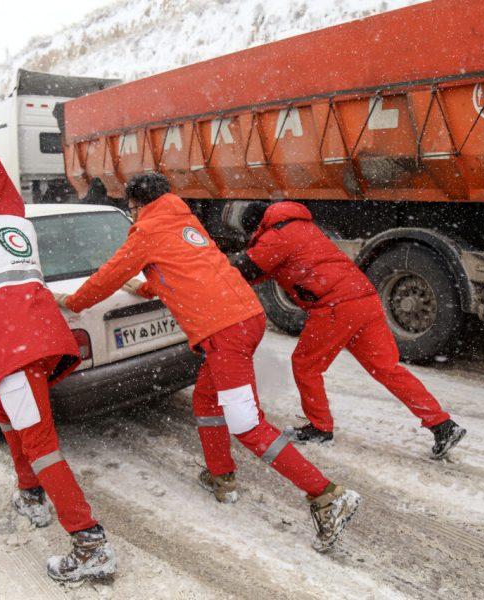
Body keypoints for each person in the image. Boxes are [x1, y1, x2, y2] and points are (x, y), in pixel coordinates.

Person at [55, 172, 360, 552]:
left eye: (131, 208)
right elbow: (193, 267)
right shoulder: (184, 220)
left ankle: (326, 494)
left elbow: (107, 277)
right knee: (206, 400)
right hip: (247, 317)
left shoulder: (147, 230)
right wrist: (149, 287)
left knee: (247, 423)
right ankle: (221, 476)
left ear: (138, 205)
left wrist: (72, 302)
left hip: (223, 330)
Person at [0, 153, 116, 582]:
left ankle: (89, 543)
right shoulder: (21, 227)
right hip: (42, 340)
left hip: (10, 350)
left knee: (40, 442)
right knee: (12, 419)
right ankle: (30, 493)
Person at [230, 200, 467, 459]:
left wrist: (214, 269)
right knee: (387, 369)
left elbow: (245, 268)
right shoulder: (301, 228)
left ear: (255, 225)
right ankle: (442, 424)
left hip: (335, 306)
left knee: (306, 366)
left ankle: (320, 428)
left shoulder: (276, 236)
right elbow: (265, 270)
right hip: (364, 299)